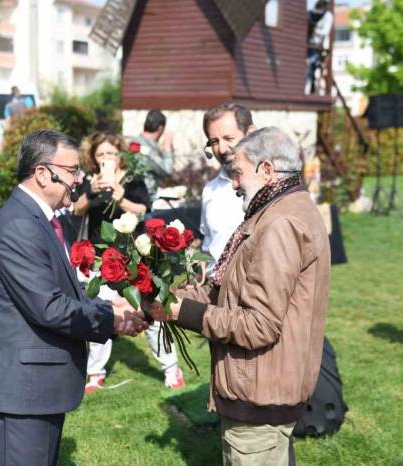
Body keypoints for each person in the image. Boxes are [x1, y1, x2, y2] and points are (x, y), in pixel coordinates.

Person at [150, 127, 330, 466]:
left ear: (266, 170)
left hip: (261, 396)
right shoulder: (274, 211)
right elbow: (227, 289)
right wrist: (164, 297)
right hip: (264, 388)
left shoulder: (280, 223)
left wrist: (181, 314)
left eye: (239, 174)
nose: (233, 185)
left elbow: (258, 325)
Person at [0, 129, 147, 466]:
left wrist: (111, 305)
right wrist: (113, 321)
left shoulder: (39, 219)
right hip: (21, 394)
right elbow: (49, 308)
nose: (79, 180)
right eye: (72, 171)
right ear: (42, 173)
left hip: (36, 389)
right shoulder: (19, 225)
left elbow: (60, 289)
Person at [73, 132, 186, 392]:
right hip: (100, 258)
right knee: (100, 313)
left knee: (149, 313)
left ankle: (171, 368)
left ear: (119, 155)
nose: (105, 159)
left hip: (133, 256)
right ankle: (95, 373)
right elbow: (77, 210)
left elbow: (144, 210)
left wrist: (120, 197)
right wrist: (92, 193)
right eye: (100, 154)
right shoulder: (90, 182)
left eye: (110, 153)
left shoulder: (133, 179)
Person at [200, 102, 256, 273]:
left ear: (251, 133)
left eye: (228, 139)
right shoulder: (210, 191)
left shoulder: (272, 186)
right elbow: (208, 246)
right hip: (212, 293)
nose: (222, 149)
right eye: (214, 141)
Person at [130, 110, 174, 201]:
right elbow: (166, 170)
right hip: (144, 201)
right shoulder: (145, 149)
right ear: (160, 128)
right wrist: (167, 148)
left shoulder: (135, 143)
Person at [306, 0, 333, 94]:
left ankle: (312, 88)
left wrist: (315, 30)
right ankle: (309, 87)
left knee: (313, 65)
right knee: (308, 66)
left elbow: (325, 31)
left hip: (318, 46)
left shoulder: (327, 16)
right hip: (308, 44)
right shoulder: (312, 13)